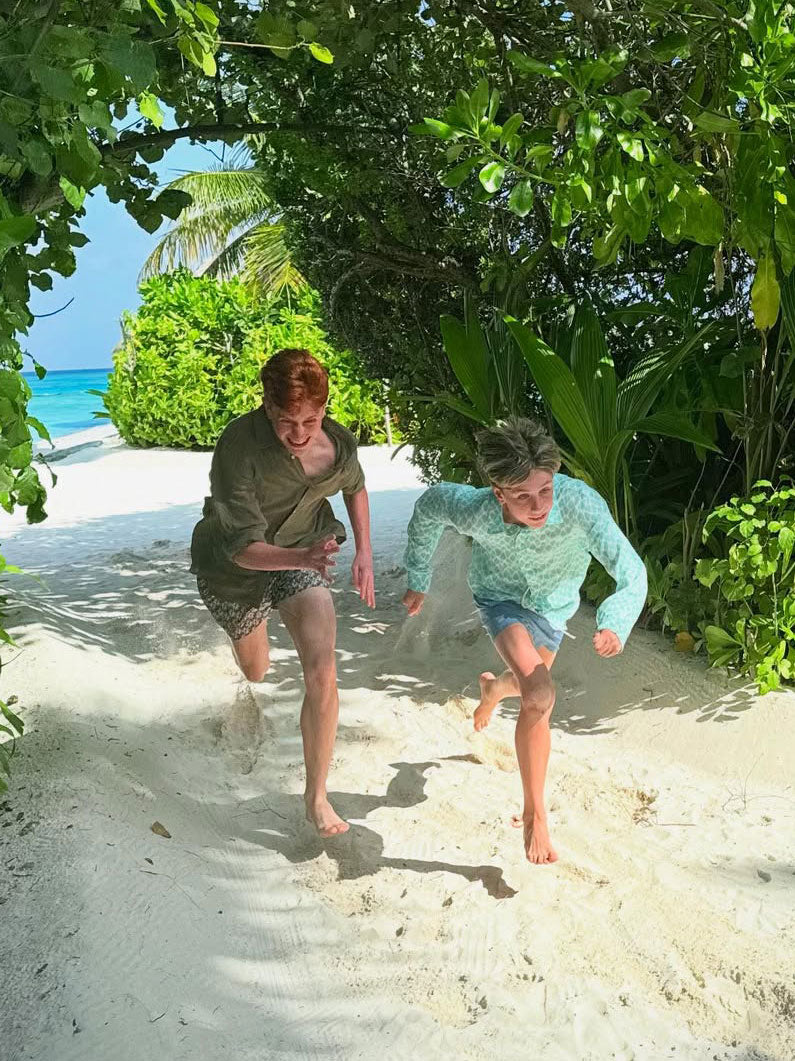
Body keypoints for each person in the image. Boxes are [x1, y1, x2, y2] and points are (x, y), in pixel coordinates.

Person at [402, 417, 647, 865]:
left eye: (545, 491)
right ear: (498, 493)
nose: (539, 506)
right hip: (500, 601)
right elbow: (430, 506)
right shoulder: (476, 510)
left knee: (525, 691)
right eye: (522, 496)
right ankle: (535, 814)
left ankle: (494, 688)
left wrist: (614, 620)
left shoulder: (579, 505)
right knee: (540, 693)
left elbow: (631, 570)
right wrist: (418, 577)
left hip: (553, 610)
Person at [191, 348, 375, 838]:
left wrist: (363, 553)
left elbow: (354, 486)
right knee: (257, 670)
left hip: (302, 552)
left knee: (323, 669)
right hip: (235, 570)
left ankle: (316, 798)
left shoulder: (336, 442)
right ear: (267, 408)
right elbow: (243, 548)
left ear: (325, 408)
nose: (299, 432)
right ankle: (248, 638)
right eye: (286, 421)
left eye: (310, 419)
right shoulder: (238, 448)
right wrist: (302, 559)